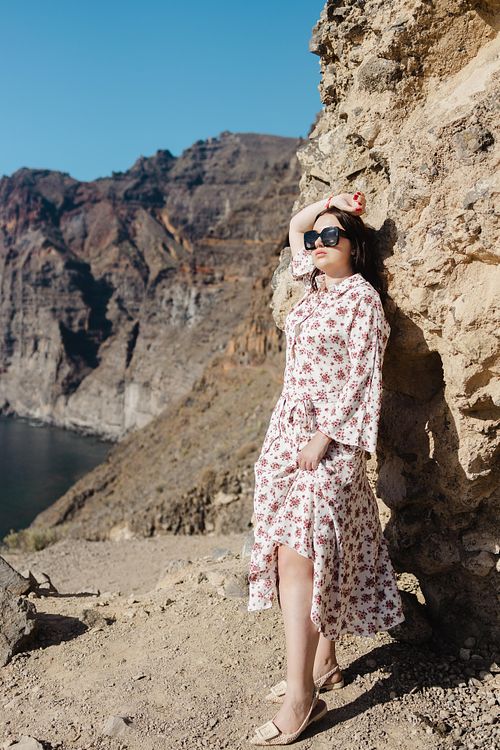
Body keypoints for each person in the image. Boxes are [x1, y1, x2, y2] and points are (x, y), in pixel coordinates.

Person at [246, 191, 406, 745]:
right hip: (287, 432)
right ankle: (324, 664)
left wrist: (324, 437)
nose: (317, 243)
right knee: (307, 550)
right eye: (316, 238)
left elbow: (364, 376)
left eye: (331, 235)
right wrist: (328, 203)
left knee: (301, 555)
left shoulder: (363, 301)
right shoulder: (313, 287)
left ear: (354, 247)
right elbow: (294, 226)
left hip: (330, 438)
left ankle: (300, 699)